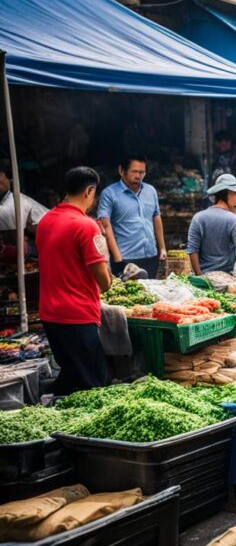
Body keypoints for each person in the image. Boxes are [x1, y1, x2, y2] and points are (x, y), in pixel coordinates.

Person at [36, 167, 113, 394]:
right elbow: (105, 282)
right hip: (77, 314)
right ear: (90, 191)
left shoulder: (45, 221)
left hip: (50, 314)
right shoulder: (86, 225)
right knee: (95, 383)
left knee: (71, 378)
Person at [98, 156, 165, 279]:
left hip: (151, 255)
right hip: (126, 258)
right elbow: (105, 225)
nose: (138, 176)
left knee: (150, 295)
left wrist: (162, 248)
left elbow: (156, 217)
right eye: (134, 172)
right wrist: (118, 259)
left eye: (142, 172)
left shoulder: (150, 191)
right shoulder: (109, 194)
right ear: (121, 171)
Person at [186, 174, 236, 275]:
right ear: (229, 193)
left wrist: (199, 276)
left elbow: (192, 250)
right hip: (226, 277)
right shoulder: (234, 220)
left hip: (203, 277)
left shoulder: (198, 218)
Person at [0, 168, 48, 233]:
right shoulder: (7, 200)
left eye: (1, 175)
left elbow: (14, 235)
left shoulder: (14, 201)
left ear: (10, 180)